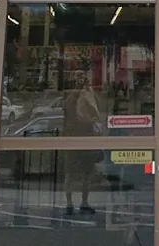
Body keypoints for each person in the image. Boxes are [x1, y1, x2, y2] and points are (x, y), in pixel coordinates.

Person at [62, 72, 101, 215]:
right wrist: (77, 91)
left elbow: (97, 110)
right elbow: (67, 107)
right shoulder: (70, 95)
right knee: (70, 173)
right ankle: (69, 203)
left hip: (87, 135)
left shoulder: (89, 94)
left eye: (83, 79)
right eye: (78, 79)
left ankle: (84, 202)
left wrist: (89, 93)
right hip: (73, 137)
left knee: (87, 173)